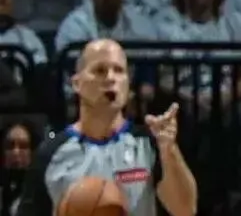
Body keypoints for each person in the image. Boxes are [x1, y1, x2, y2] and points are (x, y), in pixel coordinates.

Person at [17, 38, 197, 215]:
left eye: (119, 70)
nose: (111, 78)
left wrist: (169, 149)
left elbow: (186, 210)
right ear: (76, 84)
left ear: (128, 84)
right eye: (100, 70)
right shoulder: (51, 153)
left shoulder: (148, 143)